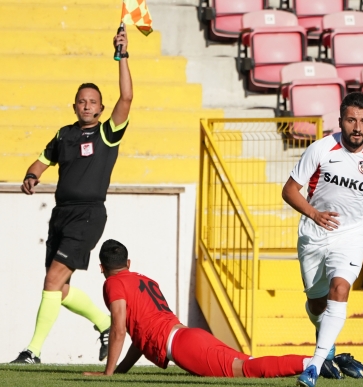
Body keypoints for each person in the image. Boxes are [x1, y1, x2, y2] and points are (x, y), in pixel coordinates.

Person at [10, 27, 133, 364]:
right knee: (59, 289)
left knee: (52, 279)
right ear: (75, 105)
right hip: (61, 214)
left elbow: (126, 99)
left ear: (100, 107)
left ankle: (32, 351)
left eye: (93, 101)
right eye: (82, 101)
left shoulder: (107, 133)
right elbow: (43, 159)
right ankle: (106, 324)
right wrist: (32, 175)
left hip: (88, 214)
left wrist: (122, 55)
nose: (87, 106)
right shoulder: (64, 134)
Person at [282, 92, 363, 387]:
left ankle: (313, 366)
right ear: (340, 121)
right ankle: (328, 350)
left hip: (350, 236)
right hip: (313, 235)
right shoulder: (320, 149)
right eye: (351, 119)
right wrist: (314, 214)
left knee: (340, 288)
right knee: (317, 305)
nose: (357, 127)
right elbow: (289, 190)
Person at [84, 239, 344, 378]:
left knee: (246, 371)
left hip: (183, 345)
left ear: (102, 268)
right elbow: (141, 338)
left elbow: (118, 329)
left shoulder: (113, 283)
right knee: (248, 364)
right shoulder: (145, 280)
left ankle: (315, 362)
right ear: (128, 262)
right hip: (189, 336)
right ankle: (314, 362)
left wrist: (106, 375)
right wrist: (118, 373)